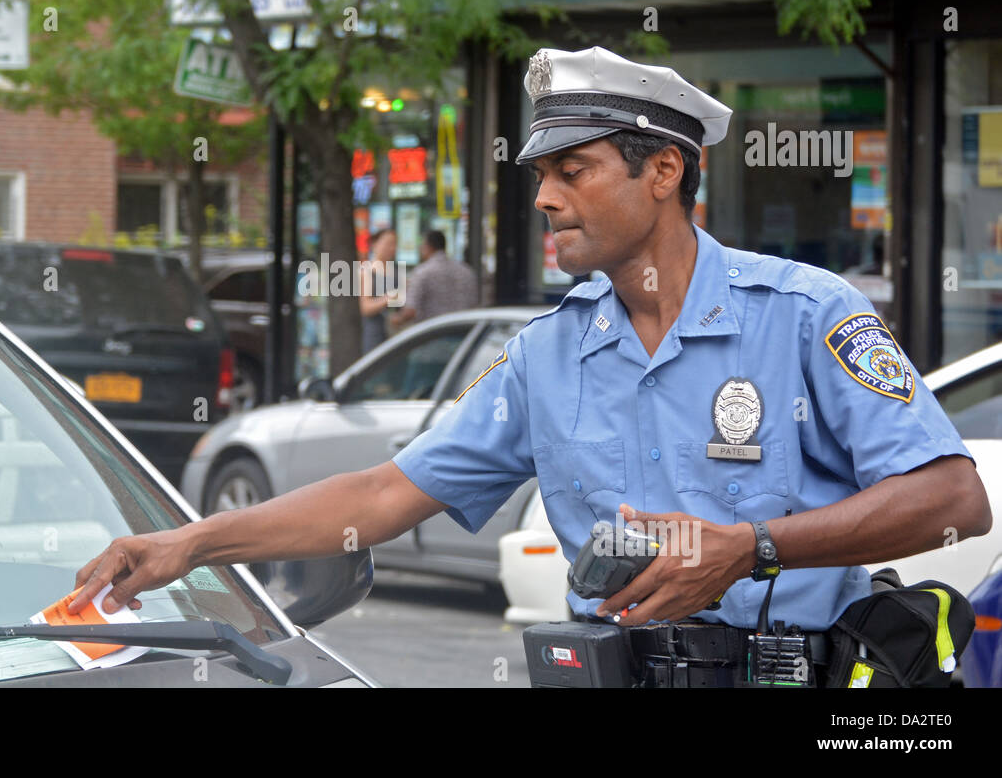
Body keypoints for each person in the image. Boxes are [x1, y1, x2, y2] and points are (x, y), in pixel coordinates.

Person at [69, 46, 991, 684]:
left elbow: (954, 499)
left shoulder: (804, 315)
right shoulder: (547, 354)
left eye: (574, 169)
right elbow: (385, 495)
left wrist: (752, 549)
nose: (544, 197)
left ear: (664, 171)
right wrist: (190, 541)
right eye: (540, 174)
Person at [389, 229, 478, 329]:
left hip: (432, 336)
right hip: (463, 335)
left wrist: (397, 319)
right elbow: (474, 305)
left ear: (428, 247)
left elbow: (411, 310)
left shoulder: (422, 272)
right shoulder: (467, 272)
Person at [358, 228, 397, 354]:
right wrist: (389, 298)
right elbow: (365, 307)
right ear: (375, 244)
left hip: (395, 336)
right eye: (388, 243)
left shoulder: (396, 272)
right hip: (374, 337)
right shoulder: (367, 271)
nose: (392, 248)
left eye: (394, 243)